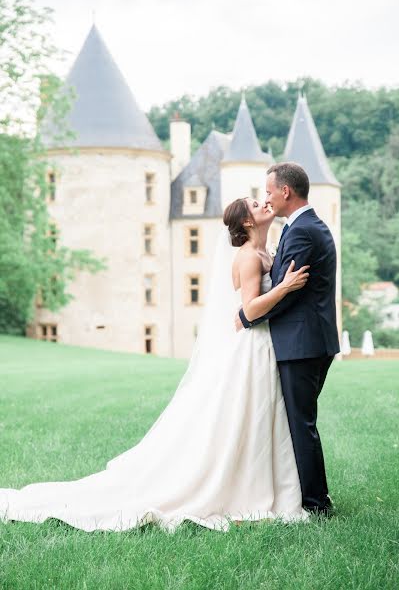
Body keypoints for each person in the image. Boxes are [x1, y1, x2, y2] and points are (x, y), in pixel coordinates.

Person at [0, 196, 310, 533]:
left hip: (260, 346)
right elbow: (247, 312)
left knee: (256, 418)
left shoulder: (265, 252)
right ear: (247, 222)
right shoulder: (249, 256)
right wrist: (284, 287)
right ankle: (238, 489)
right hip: (250, 347)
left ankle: (257, 483)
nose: (263, 203)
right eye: (255, 204)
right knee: (245, 417)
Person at [237, 162, 340, 515]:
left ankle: (315, 504)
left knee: (300, 423)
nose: (266, 198)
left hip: (301, 344)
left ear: (285, 192)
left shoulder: (301, 232)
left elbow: (289, 294)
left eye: (268, 192)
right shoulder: (308, 226)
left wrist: (245, 317)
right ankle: (306, 495)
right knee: (299, 421)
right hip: (310, 340)